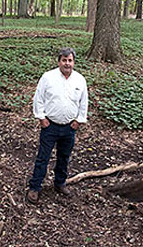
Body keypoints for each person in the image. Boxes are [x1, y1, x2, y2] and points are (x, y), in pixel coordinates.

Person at [26, 47, 88, 204]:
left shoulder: (80, 80)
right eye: (64, 60)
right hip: (50, 126)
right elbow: (38, 98)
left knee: (64, 157)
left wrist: (79, 120)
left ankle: (60, 183)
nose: (67, 63)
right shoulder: (48, 77)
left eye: (70, 60)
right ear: (59, 61)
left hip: (69, 127)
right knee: (43, 157)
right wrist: (41, 118)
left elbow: (83, 102)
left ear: (74, 62)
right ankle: (35, 187)